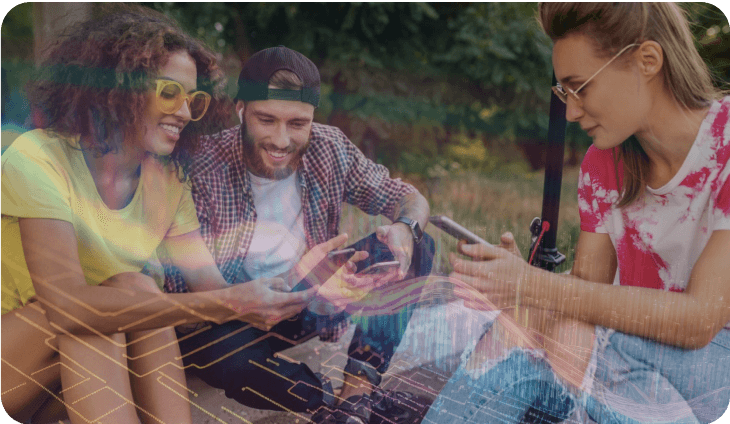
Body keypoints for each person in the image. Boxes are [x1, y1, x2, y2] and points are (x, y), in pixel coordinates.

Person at [0, 6, 319, 424]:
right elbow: (65, 309)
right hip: (17, 369)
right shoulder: (39, 158)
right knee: (105, 309)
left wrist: (278, 291)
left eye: (194, 100)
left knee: (133, 289)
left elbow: (212, 286)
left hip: (77, 374)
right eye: (169, 93)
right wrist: (226, 302)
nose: (185, 113)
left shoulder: (167, 183)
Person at [423, 2, 730, 424]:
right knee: (529, 324)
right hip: (629, 355)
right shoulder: (604, 164)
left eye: (581, 87)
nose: (570, 111)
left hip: (712, 366)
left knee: (547, 327)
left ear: (647, 61)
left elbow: (699, 321)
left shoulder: (726, 145)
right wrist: (521, 284)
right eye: (564, 93)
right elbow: (588, 288)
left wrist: (534, 288)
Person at [162, 45, 436, 424]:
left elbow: (409, 198)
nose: (281, 140)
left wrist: (406, 229)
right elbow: (188, 289)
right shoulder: (202, 162)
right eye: (266, 119)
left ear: (312, 118)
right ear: (241, 110)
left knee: (418, 243)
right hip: (234, 314)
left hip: (310, 295)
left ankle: (357, 394)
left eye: (297, 123)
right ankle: (325, 401)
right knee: (217, 355)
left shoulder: (330, 146)